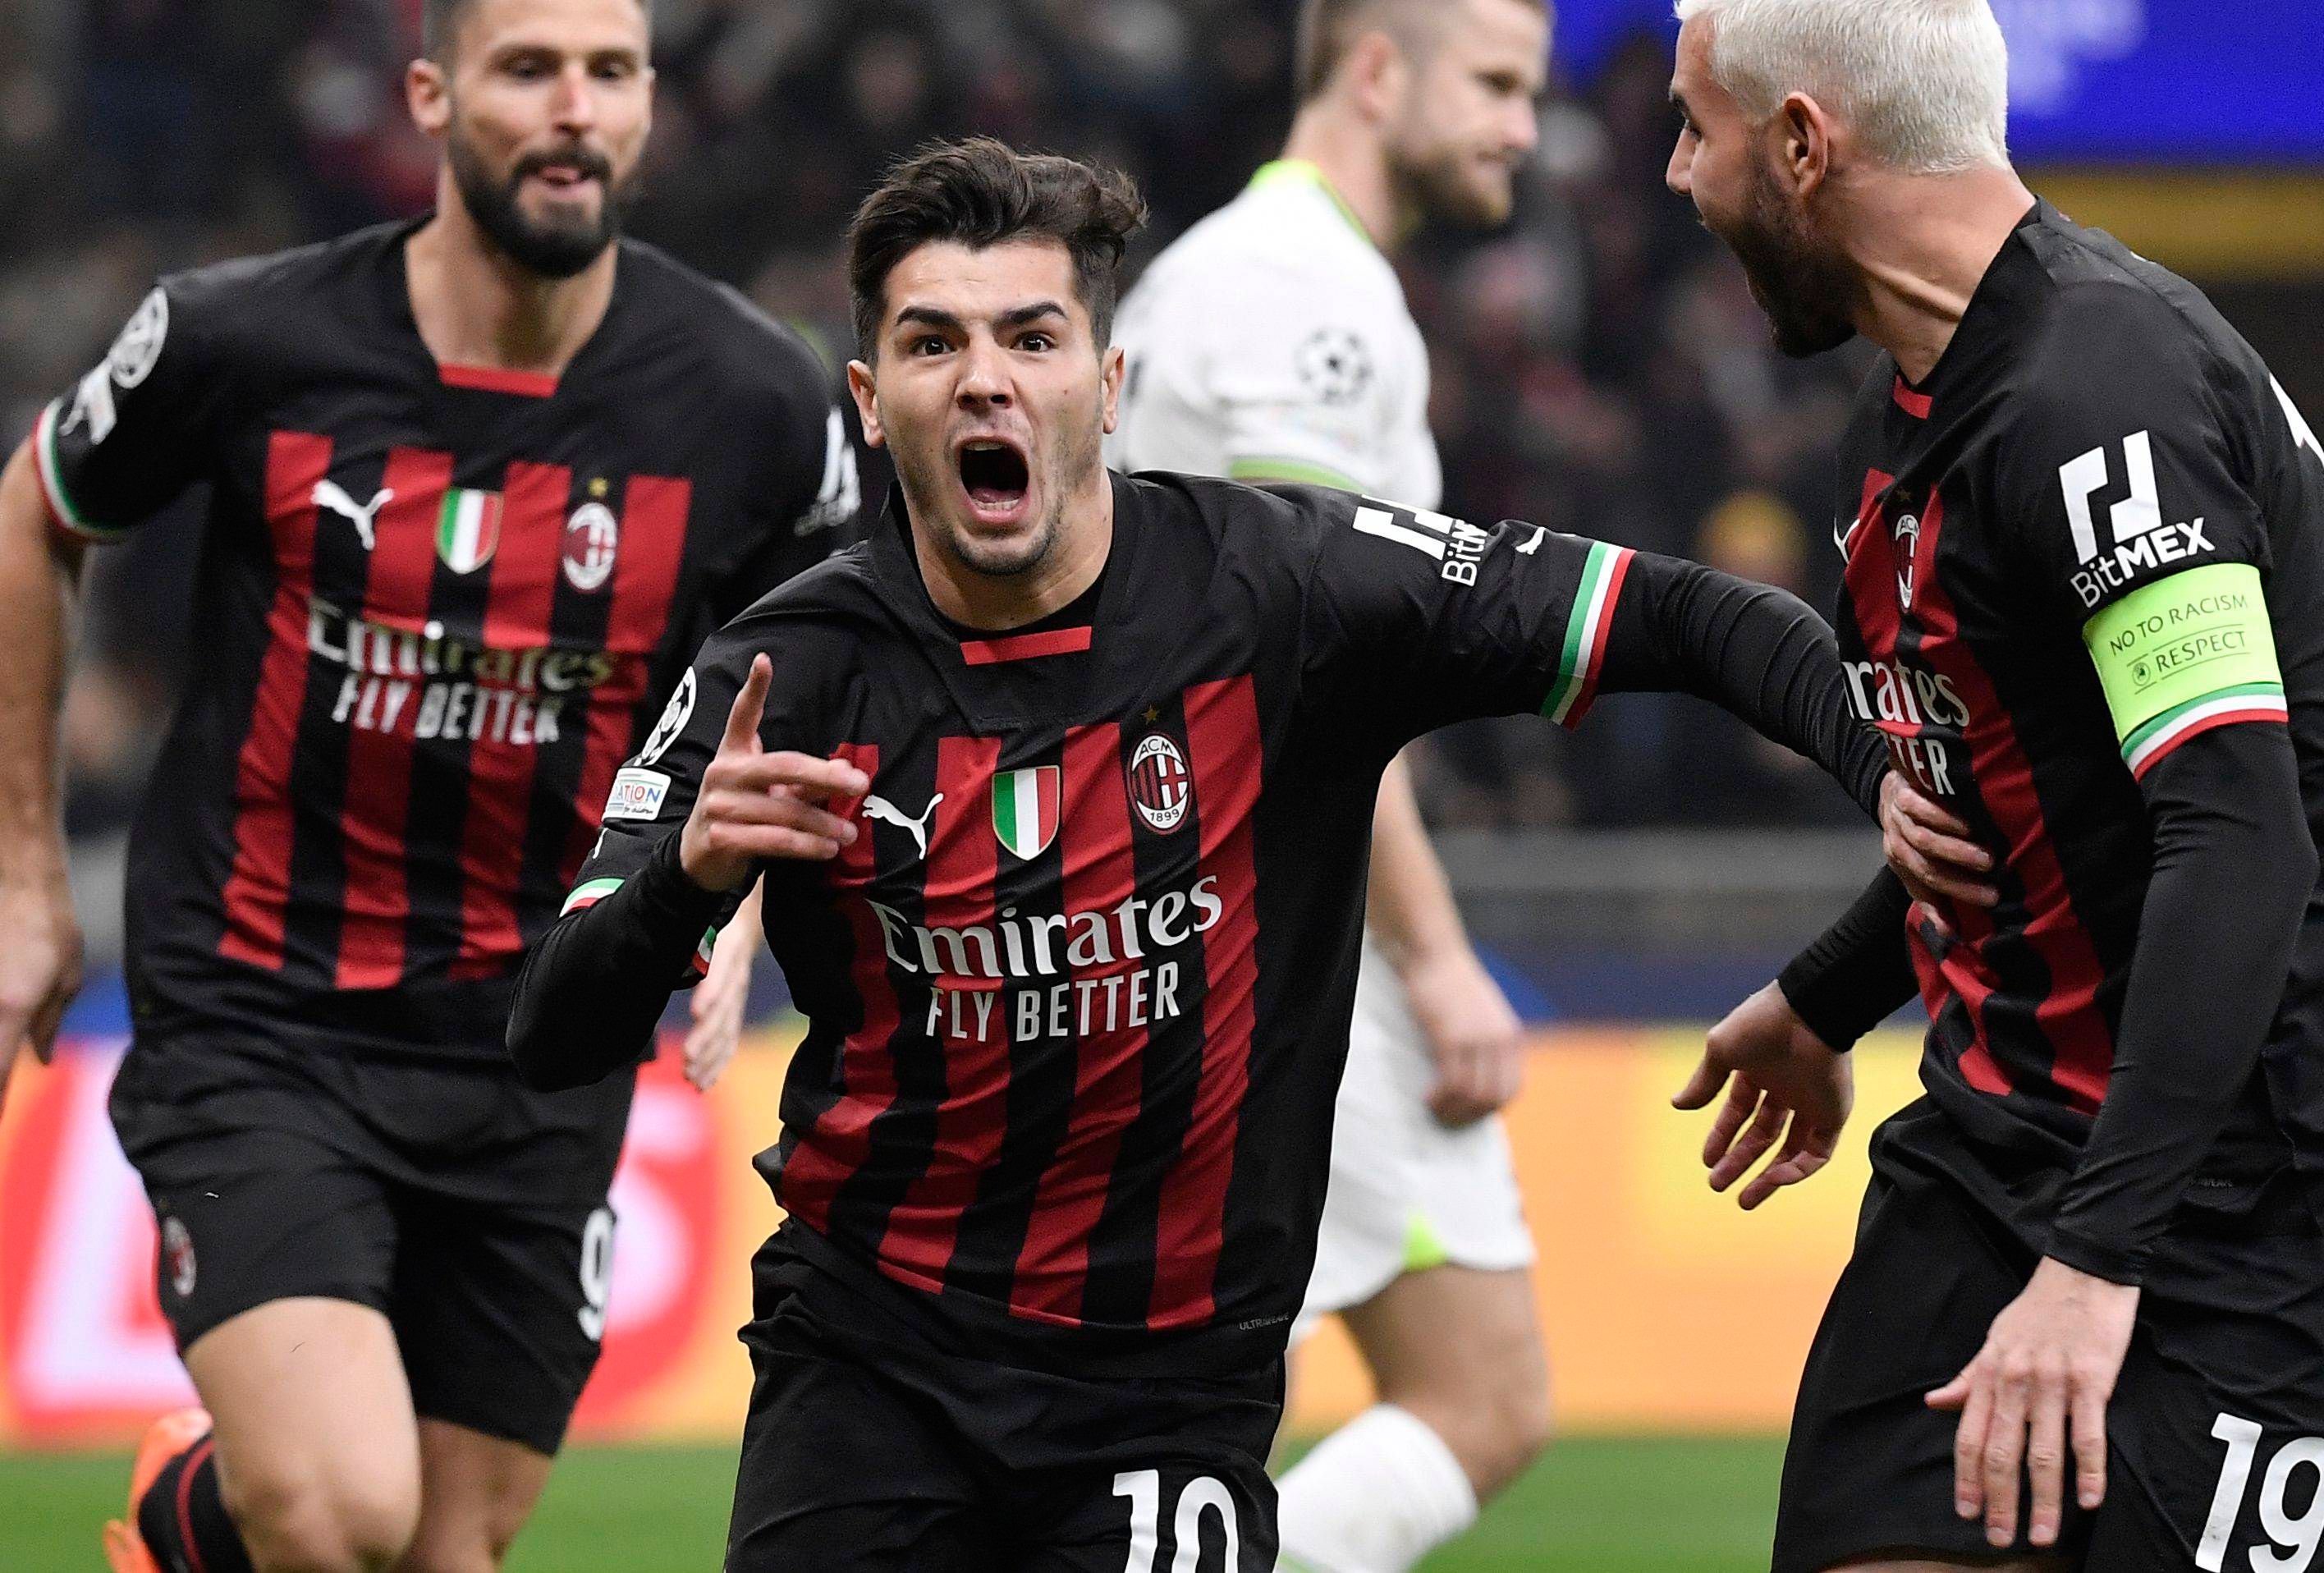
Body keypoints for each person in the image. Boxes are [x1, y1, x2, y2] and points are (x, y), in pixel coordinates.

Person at [507, 135, 1886, 1573]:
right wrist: (689, 879)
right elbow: (555, 1025)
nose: (986, 377)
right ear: (872, 399)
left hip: (1164, 1393)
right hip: (870, 1357)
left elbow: (1696, 619)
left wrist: (1890, 771)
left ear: (1105, 390)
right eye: (934, 342)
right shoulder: (778, 677)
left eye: (1033, 337)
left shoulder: (1286, 590)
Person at [0, 0, 859, 1568]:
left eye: (610, 74)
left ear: (652, 108)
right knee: (341, 1514)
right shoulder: (242, 338)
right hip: (266, 1015)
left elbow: (825, 667)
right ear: (431, 97)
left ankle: (205, 1538)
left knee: (446, 1553)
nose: (573, 110)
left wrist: (741, 910)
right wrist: (25, 885)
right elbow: (35, 510)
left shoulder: (751, 398)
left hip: (546, 1034)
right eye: (527, 69)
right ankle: (200, 1511)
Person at [1662, 2, 2324, 1571]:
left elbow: (2242, 833)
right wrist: (1832, 993)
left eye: (1695, 129)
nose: (1674, 174)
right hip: (1994, 1163)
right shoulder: (1912, 406)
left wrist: (2100, 1264)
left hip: (2255, 1201)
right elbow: (2014, 806)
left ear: (1800, 143)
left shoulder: (2100, 395)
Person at [1104, 2, 1555, 1561]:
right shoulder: (1303, 298)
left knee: (1224, 1402)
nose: (1522, 128)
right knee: (1471, 1395)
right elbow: (1313, 671)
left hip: (1190, 910)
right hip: (1281, 934)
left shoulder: (1204, 277)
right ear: (1376, 69)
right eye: (1496, 85)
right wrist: (1434, 961)